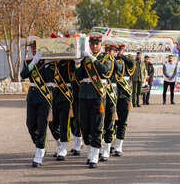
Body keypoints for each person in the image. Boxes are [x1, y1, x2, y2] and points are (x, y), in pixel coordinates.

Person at [75, 32, 114, 169]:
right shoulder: (85, 59)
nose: (94, 46)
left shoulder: (106, 57)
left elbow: (106, 71)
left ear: (101, 45)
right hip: (84, 95)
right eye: (92, 44)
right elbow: (78, 77)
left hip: (98, 95)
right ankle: (90, 152)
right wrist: (78, 63)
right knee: (84, 127)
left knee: (96, 126)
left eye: (97, 44)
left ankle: (95, 156)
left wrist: (92, 58)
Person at [20, 36, 54, 167]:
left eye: (35, 47)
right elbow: (23, 75)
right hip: (32, 96)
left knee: (42, 125)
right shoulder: (29, 61)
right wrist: (33, 62)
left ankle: (39, 153)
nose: (33, 50)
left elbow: (50, 78)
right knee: (30, 125)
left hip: (44, 97)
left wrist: (46, 63)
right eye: (32, 48)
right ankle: (40, 145)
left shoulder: (48, 61)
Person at [47, 33, 77, 161]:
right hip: (52, 93)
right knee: (52, 123)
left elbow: (72, 77)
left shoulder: (69, 61)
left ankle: (63, 149)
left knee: (64, 122)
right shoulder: (50, 61)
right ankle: (59, 144)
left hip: (65, 94)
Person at [113, 40, 136, 156]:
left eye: (119, 50)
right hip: (112, 94)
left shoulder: (127, 59)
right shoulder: (109, 59)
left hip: (124, 95)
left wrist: (119, 56)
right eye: (115, 50)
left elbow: (132, 62)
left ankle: (118, 145)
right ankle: (111, 143)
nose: (117, 52)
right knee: (111, 122)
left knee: (122, 121)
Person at [99, 39, 120, 162]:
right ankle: (100, 148)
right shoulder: (100, 59)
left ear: (114, 52)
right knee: (99, 124)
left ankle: (106, 150)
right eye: (106, 50)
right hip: (101, 93)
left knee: (109, 124)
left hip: (111, 94)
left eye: (110, 51)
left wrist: (114, 57)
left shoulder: (117, 61)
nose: (107, 52)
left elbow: (118, 68)